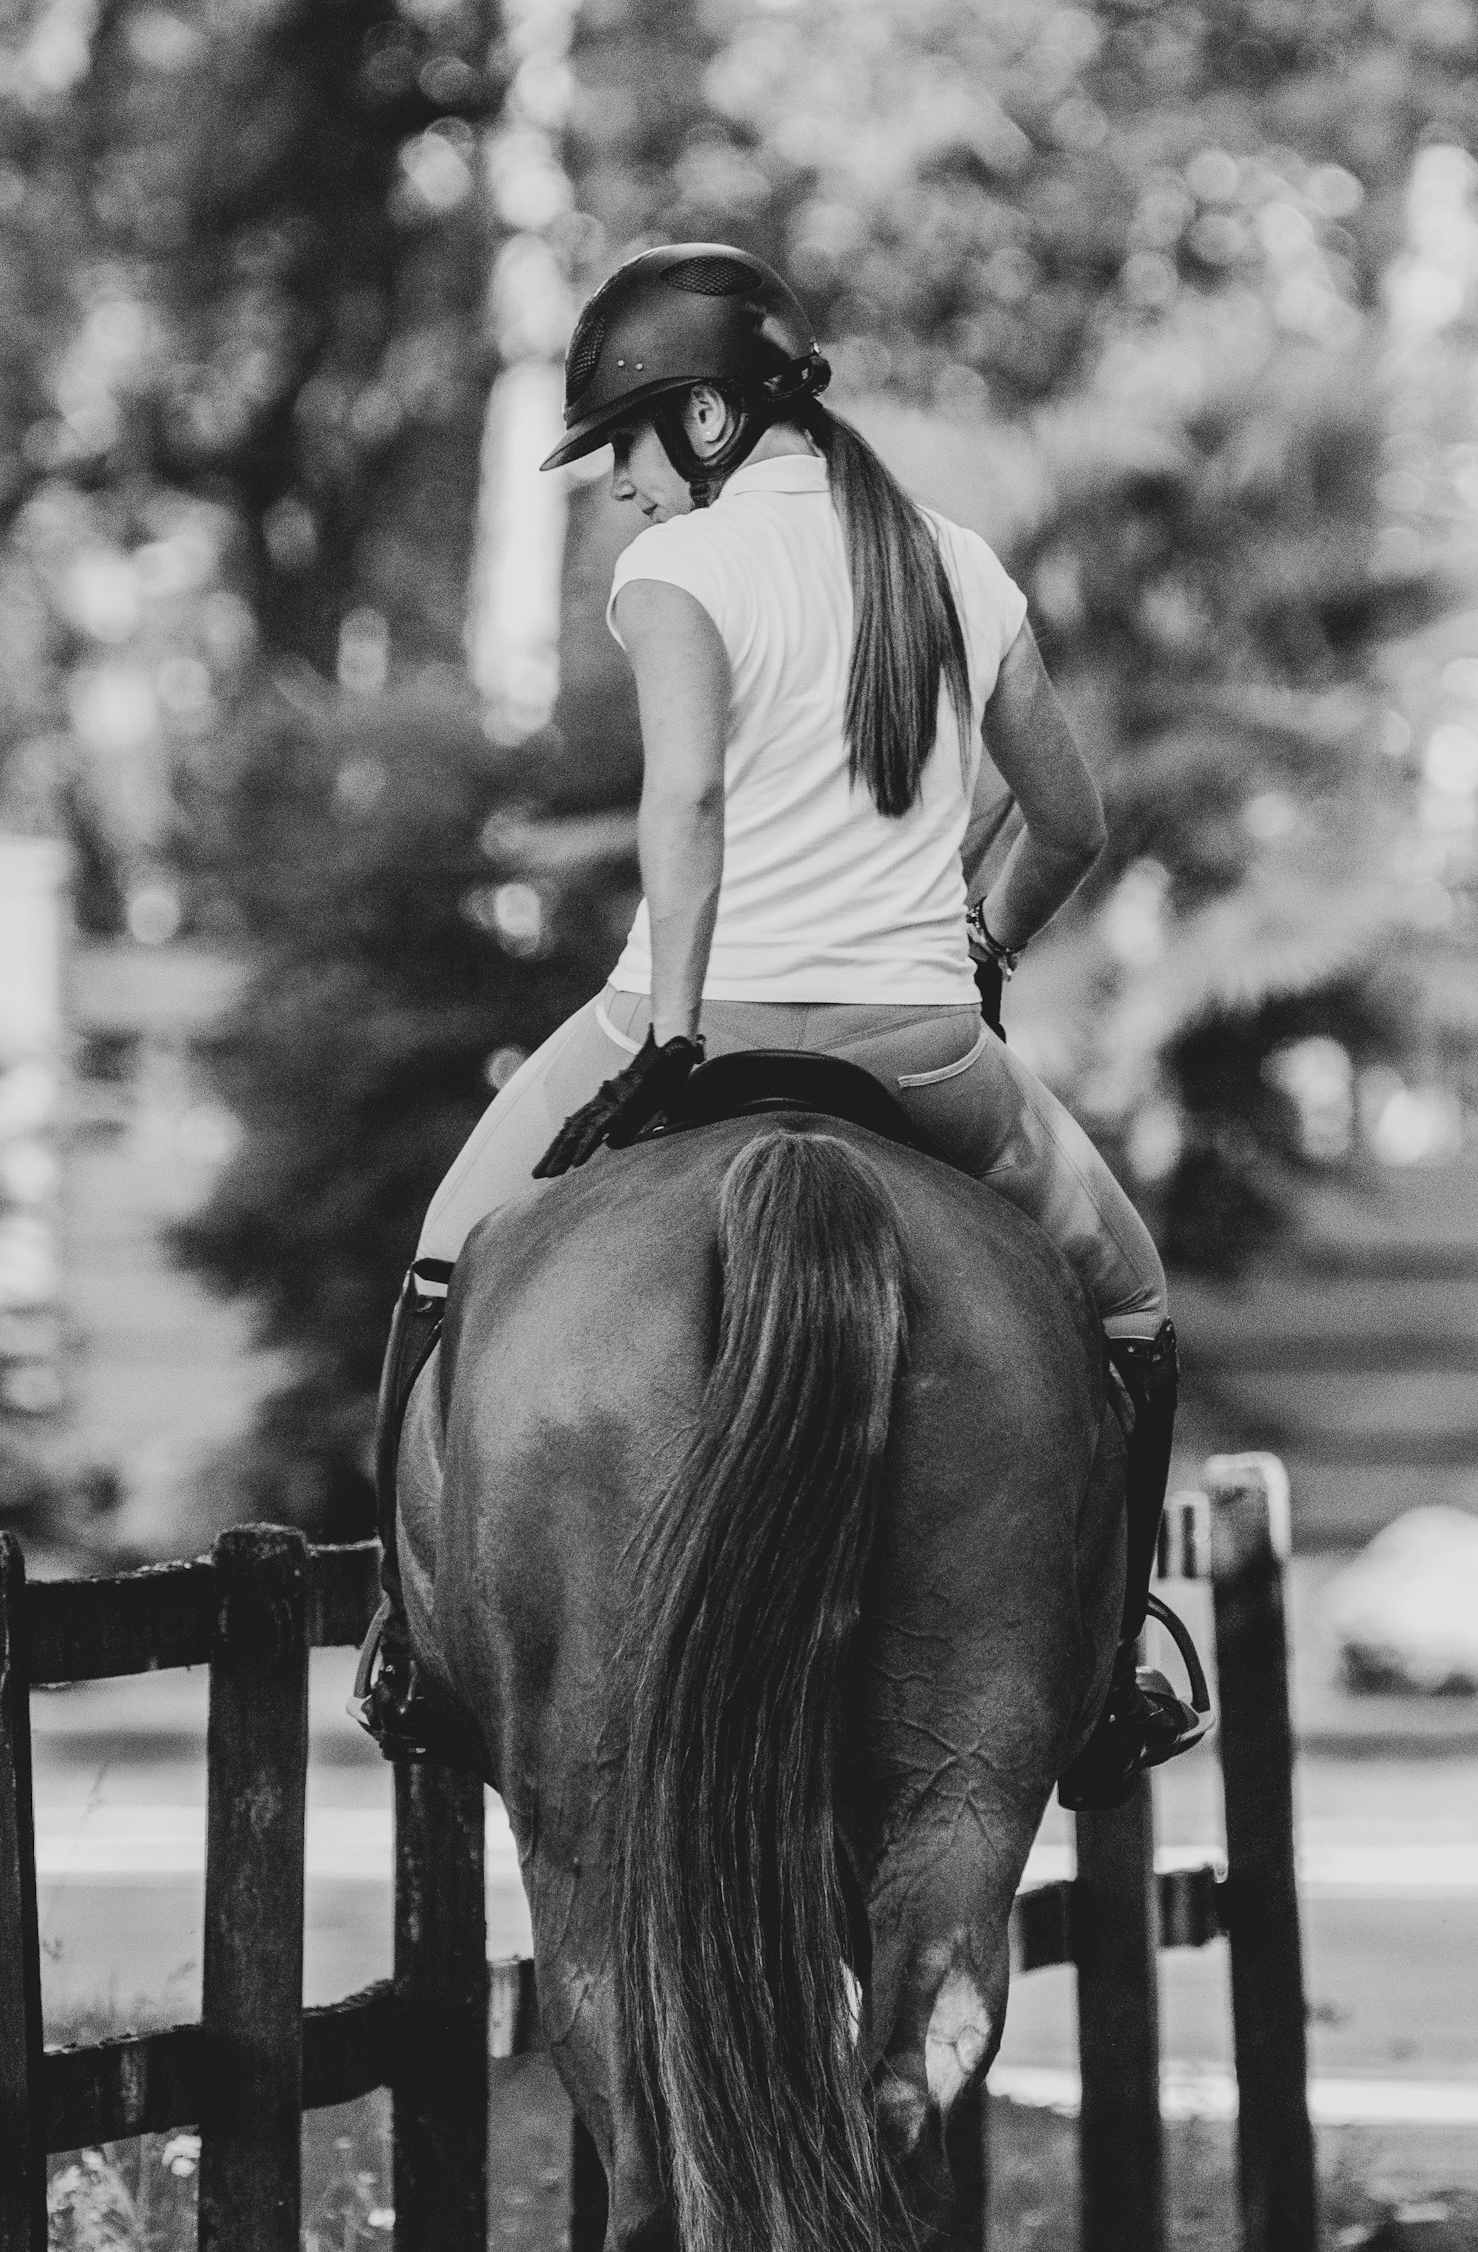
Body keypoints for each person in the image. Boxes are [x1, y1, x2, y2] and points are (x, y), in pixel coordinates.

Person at [354, 242, 1206, 1807]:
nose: (614, 488)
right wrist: (977, 948)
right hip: (924, 1052)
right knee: (1134, 1311)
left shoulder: (681, 569)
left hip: (673, 1018)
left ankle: (408, 1632)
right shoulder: (956, 561)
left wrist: (676, 1033)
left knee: (442, 1254)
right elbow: (1067, 819)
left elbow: (685, 797)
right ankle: (1121, 1648)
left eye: (618, 445)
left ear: (700, 423)